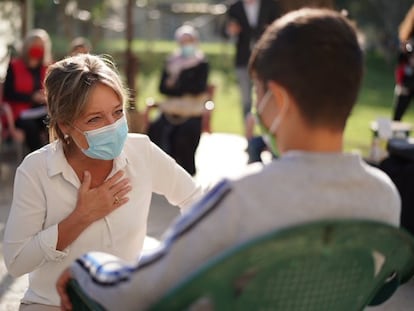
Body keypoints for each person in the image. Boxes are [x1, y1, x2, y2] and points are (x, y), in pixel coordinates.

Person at [56, 8, 401, 311]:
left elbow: (135, 294)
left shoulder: (243, 198)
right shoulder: (383, 196)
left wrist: (86, 266)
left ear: (277, 99)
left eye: (258, 92)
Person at [3, 53, 204, 310]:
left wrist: (170, 262)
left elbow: (195, 199)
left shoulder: (141, 151)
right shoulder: (36, 169)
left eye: (118, 112)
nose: (113, 126)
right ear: (65, 126)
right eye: (95, 119)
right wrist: (81, 216)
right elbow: (17, 261)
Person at [147, 24, 210, 176]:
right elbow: (162, 88)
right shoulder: (171, 61)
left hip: (191, 111)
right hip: (170, 109)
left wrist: (177, 85)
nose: (186, 45)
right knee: (156, 130)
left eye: (189, 41)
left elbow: (198, 88)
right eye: (183, 42)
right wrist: (182, 86)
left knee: (185, 135)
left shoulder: (201, 63)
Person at [225, 0, 281, 122]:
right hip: (243, 59)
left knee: (267, 96)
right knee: (246, 99)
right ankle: (248, 132)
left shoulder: (269, 5)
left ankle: (266, 130)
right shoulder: (234, 7)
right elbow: (225, 31)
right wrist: (231, 31)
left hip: (265, 59)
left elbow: (278, 29)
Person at [3, 28, 52, 152]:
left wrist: (45, 96)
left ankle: (53, 156)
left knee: (52, 122)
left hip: (42, 109)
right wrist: (31, 97)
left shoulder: (48, 67)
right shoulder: (14, 66)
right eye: (34, 45)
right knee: (31, 127)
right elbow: (8, 94)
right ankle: (36, 161)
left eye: (40, 46)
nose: (37, 49)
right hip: (20, 113)